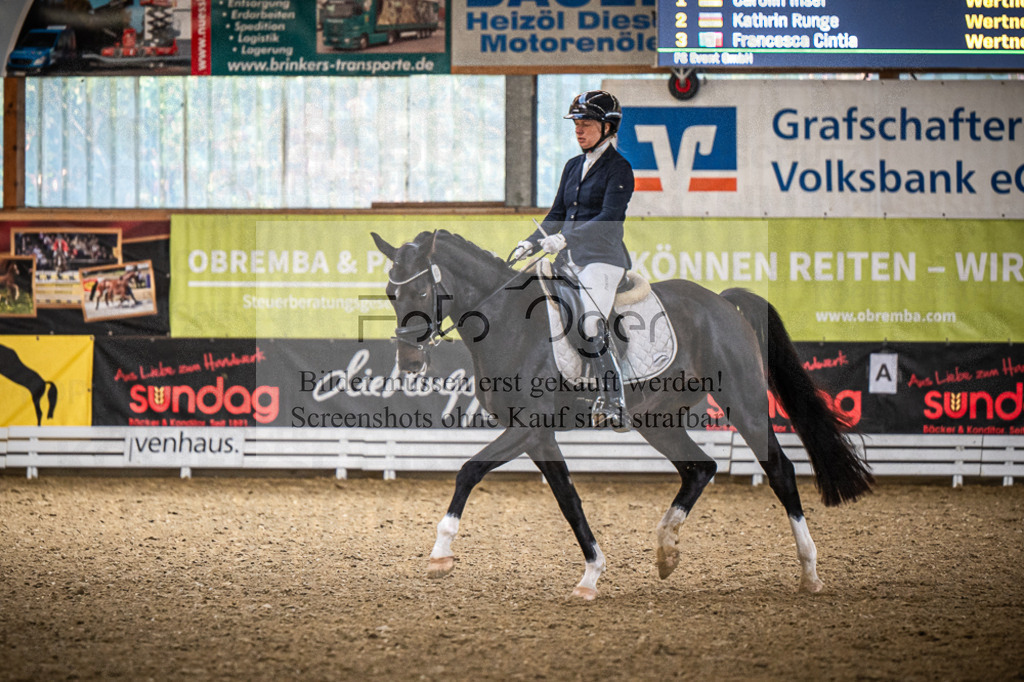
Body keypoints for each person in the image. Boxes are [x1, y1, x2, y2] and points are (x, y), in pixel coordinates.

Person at [512, 90, 634, 430]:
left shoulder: (620, 169)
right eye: (577, 124)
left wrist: (566, 237)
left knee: (591, 322)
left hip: (603, 260)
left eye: (588, 124)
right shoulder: (572, 165)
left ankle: (614, 401)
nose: (579, 131)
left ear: (608, 127)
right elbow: (557, 213)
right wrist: (531, 241)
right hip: (570, 257)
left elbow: (609, 217)